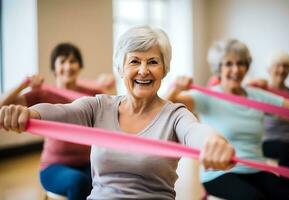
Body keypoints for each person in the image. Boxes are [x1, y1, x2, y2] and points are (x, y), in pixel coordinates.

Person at [0, 26, 236, 200]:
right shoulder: (99, 106)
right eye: (134, 61)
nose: (143, 70)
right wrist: (28, 114)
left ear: (164, 70)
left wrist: (214, 142)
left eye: (153, 62)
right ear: (121, 68)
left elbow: (196, 131)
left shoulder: (175, 115)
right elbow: (60, 111)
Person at [166, 39, 289, 199]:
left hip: (256, 168)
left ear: (246, 67)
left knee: (288, 197)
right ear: (219, 68)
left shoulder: (257, 95)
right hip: (219, 173)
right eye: (229, 64)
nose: (235, 69)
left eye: (241, 63)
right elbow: (165, 106)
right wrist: (175, 88)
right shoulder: (208, 97)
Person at [0, 43, 115, 200]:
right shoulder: (42, 94)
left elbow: (114, 111)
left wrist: (109, 86)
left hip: (89, 163)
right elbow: (2, 106)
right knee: (78, 182)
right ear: (54, 68)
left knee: (111, 181)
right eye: (62, 61)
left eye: (73, 61)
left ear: (79, 66)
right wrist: (24, 83)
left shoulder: (92, 93)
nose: (68, 66)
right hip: (54, 167)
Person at [248, 50, 289, 191]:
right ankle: (285, 195)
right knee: (286, 149)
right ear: (268, 69)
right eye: (278, 65)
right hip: (268, 142)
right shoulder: (261, 92)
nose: (282, 70)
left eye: (285, 66)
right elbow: (242, 90)